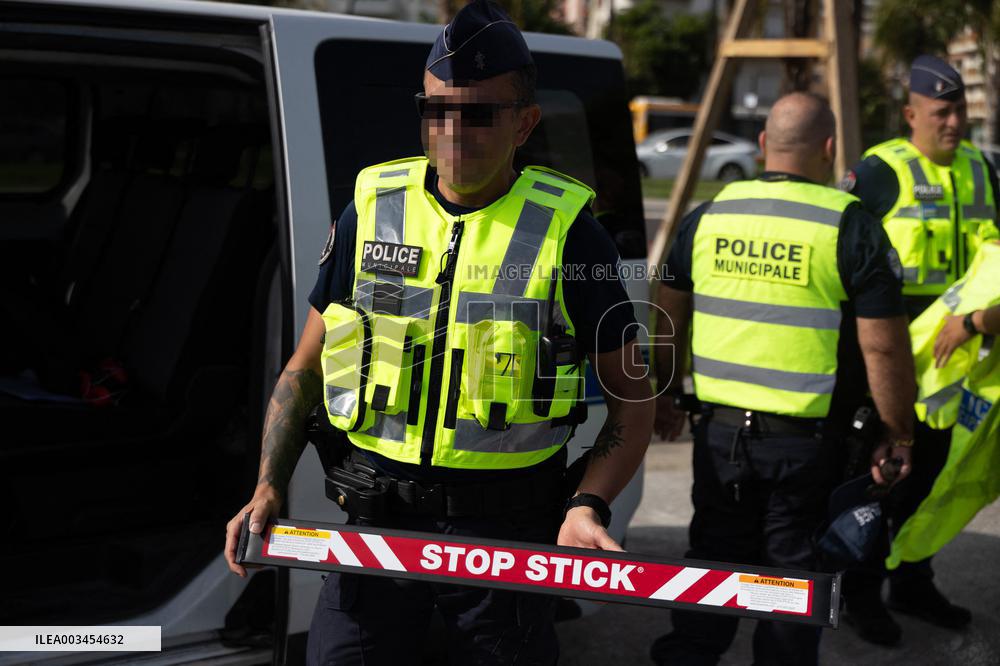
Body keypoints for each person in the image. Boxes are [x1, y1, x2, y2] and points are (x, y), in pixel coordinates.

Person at [223, 1, 654, 663]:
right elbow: (306, 364)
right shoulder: (373, 207)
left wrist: (588, 504)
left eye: (478, 114)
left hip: (506, 539)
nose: (453, 131)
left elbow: (633, 396)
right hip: (376, 524)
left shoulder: (570, 233)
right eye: (436, 109)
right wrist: (268, 481)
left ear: (525, 123)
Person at [650, 92, 915, 666]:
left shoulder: (711, 214)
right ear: (829, 148)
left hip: (719, 438)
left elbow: (667, 312)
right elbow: (883, 346)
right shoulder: (849, 224)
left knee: (710, 567)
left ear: (764, 144)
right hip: (805, 448)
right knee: (790, 583)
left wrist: (665, 394)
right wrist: (898, 432)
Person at [840, 55, 1000, 644]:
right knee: (877, 478)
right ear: (911, 115)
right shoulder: (879, 171)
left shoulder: (982, 168)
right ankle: (859, 594)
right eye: (941, 112)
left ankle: (912, 578)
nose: (954, 122)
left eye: (959, 110)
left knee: (930, 475)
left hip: (957, 360)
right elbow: (845, 258)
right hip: (889, 357)